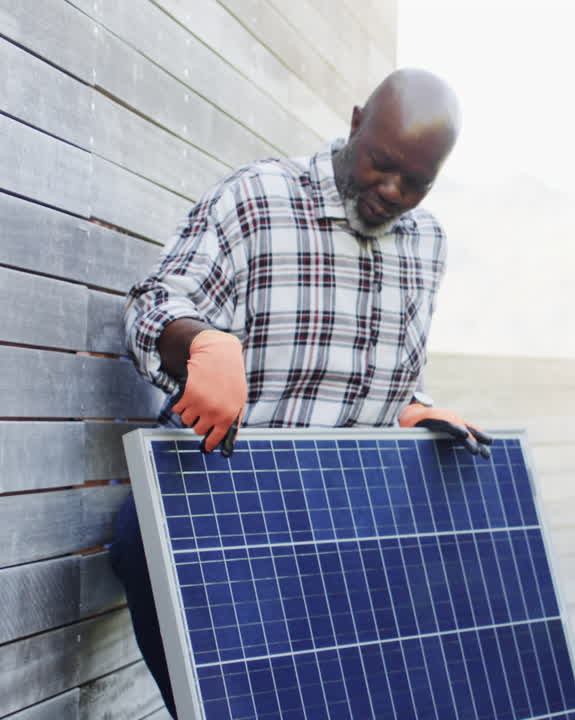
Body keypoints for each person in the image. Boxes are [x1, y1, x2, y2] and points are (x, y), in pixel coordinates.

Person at [110, 68, 488, 717]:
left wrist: (412, 409)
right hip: (226, 507)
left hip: (345, 521)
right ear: (354, 123)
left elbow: (387, 376)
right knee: (141, 543)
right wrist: (201, 341)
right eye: (382, 164)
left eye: (417, 182)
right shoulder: (259, 200)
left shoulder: (427, 245)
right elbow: (152, 304)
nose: (393, 191)